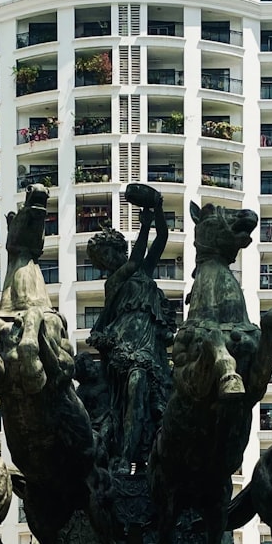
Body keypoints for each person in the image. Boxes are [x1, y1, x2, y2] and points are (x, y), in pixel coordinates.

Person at [87, 187, 175, 472]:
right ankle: (125, 459)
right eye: (103, 258)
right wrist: (145, 222)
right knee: (135, 386)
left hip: (151, 344)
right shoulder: (114, 282)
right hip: (126, 344)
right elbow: (137, 258)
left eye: (111, 253)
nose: (109, 260)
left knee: (160, 397)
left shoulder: (142, 272)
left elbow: (162, 238)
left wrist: (157, 210)